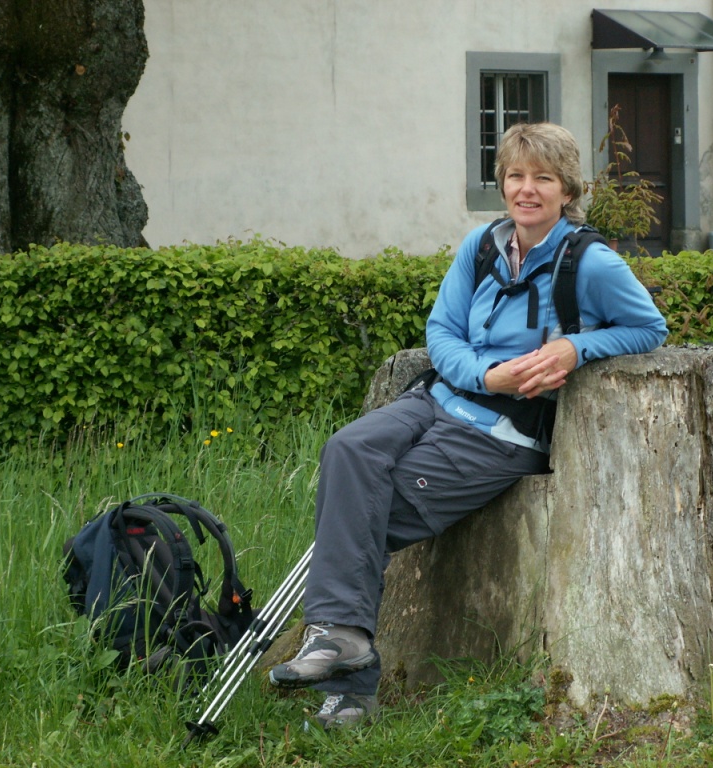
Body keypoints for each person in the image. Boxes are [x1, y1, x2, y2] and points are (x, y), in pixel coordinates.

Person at [267, 122, 668, 729]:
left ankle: (349, 679)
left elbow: (649, 328)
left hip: (501, 432)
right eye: (515, 175)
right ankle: (344, 649)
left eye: (543, 178)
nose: (526, 189)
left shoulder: (590, 263)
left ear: (567, 190)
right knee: (348, 449)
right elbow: (442, 333)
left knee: (366, 513)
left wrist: (576, 347)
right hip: (436, 399)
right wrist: (486, 374)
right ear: (501, 182)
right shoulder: (481, 246)